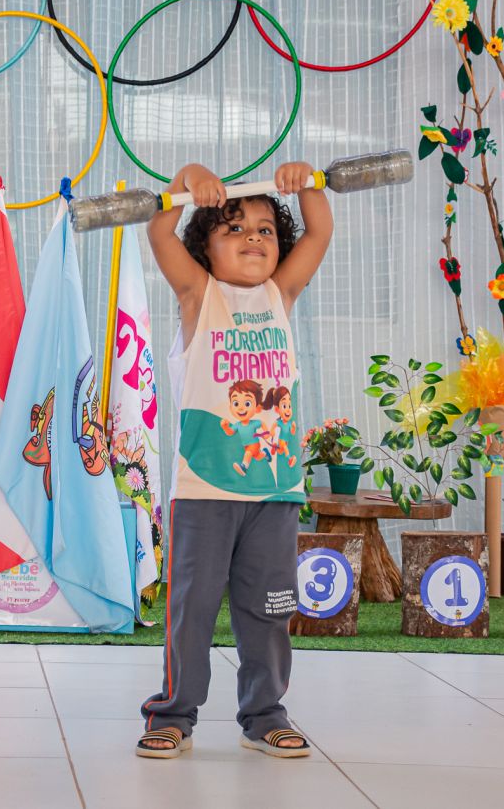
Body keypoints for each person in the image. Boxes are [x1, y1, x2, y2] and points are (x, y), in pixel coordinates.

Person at [136, 162, 333, 760]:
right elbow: (159, 230)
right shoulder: (199, 296)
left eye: (266, 229)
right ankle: (173, 714)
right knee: (191, 611)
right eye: (235, 228)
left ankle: (264, 713)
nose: (253, 237)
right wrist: (188, 179)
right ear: (206, 246)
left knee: (268, 611)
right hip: (204, 492)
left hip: (275, 492)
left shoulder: (281, 294)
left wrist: (308, 183)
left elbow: (320, 231)